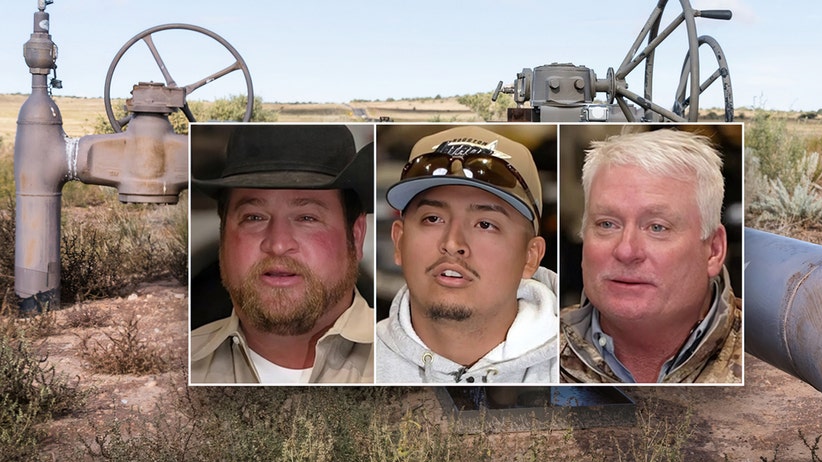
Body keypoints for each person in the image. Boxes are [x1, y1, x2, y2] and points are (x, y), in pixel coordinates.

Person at [189, 124, 374, 384]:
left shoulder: (403, 364)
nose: (277, 244)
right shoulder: (180, 366)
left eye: (307, 218)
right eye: (254, 217)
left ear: (356, 236)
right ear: (223, 238)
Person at [376, 126, 559, 383]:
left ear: (530, 257)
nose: (452, 243)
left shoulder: (578, 367)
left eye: (485, 224)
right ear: (399, 242)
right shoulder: (359, 366)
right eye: (433, 218)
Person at [560, 128, 742, 384]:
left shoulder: (772, 355)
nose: (625, 251)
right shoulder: (536, 351)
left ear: (713, 250)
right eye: (607, 224)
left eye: (657, 227)